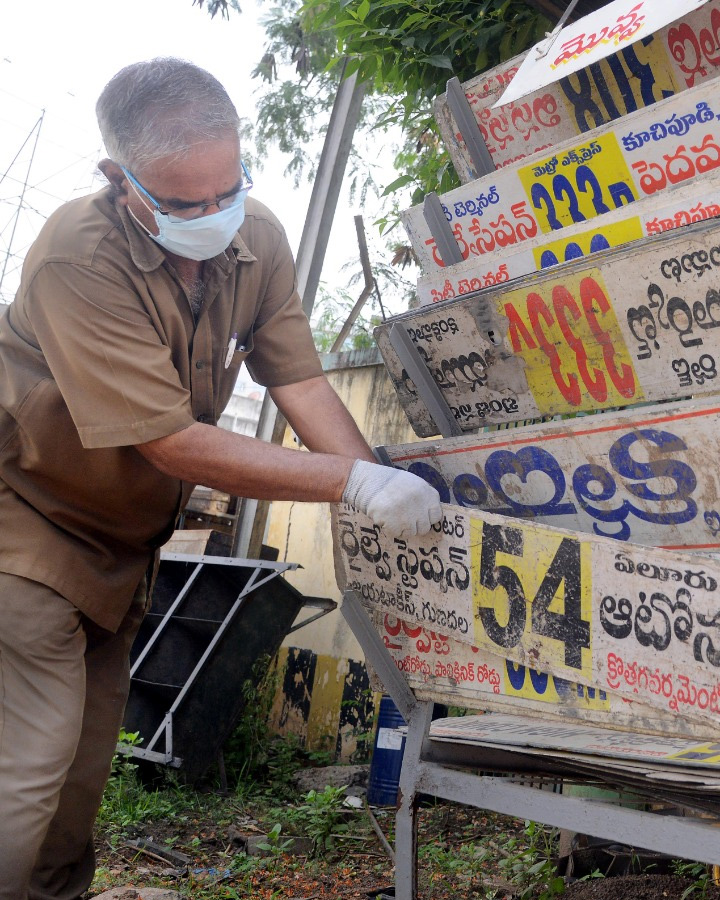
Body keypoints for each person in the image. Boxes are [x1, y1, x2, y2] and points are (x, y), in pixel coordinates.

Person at [0, 58, 440, 899]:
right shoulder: (75, 257)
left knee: (79, 779)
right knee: (24, 769)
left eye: (226, 188)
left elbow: (301, 381)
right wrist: (349, 486)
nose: (212, 217)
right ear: (118, 179)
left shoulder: (259, 235)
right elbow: (170, 441)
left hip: (125, 547)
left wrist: (373, 480)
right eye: (182, 203)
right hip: (28, 521)